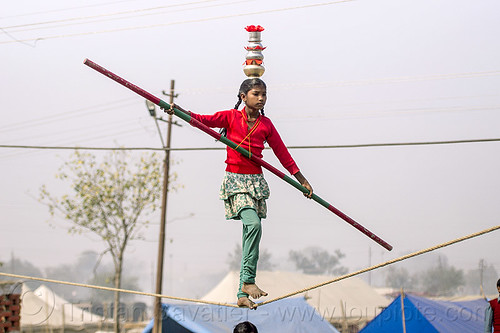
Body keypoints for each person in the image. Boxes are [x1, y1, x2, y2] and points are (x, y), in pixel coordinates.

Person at [166, 78, 313, 309]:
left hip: (255, 182)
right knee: (253, 225)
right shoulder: (230, 117)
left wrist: (301, 180)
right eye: (256, 93)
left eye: (264, 94)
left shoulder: (266, 125)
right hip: (235, 180)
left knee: (249, 233)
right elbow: (203, 120)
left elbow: (283, 154)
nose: (261, 98)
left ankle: (242, 291)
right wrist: (179, 111)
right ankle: (249, 281)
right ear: (243, 97)